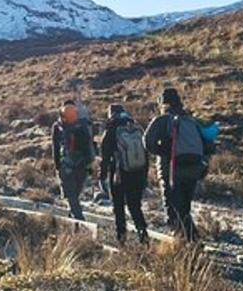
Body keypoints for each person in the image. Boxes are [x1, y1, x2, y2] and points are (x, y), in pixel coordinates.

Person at [144, 87, 209, 241]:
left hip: (172, 170)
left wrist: (163, 151)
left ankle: (188, 241)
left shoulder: (163, 120)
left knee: (173, 207)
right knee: (184, 206)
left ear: (162, 103)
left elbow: (147, 142)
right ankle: (188, 241)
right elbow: (208, 146)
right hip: (194, 169)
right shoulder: (191, 120)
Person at [99, 103, 150, 244]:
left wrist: (102, 174)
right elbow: (145, 154)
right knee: (135, 205)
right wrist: (144, 176)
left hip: (119, 174)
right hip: (138, 172)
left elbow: (105, 154)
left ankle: (121, 238)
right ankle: (143, 233)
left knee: (118, 206)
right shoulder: (136, 127)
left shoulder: (112, 127)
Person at [51, 99, 94, 220]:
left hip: (66, 164)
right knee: (75, 194)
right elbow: (88, 145)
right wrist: (90, 164)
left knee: (71, 195)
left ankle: (80, 220)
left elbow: (55, 147)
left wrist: (57, 165)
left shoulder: (58, 126)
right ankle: (75, 218)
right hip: (82, 164)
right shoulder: (83, 125)